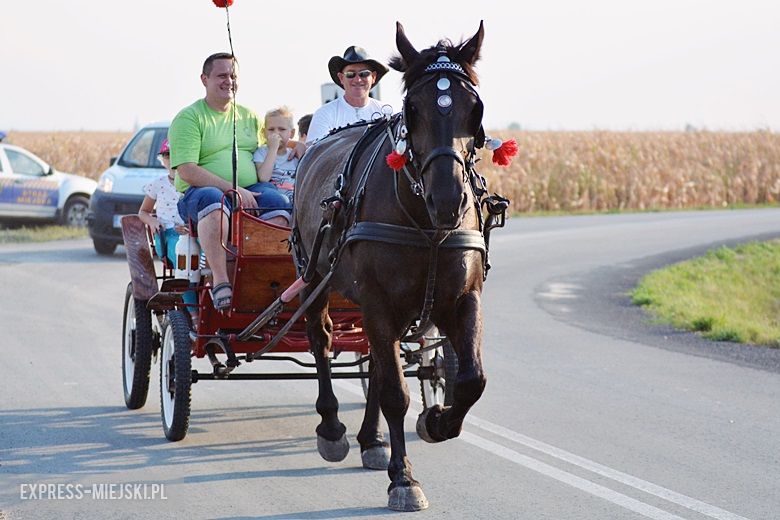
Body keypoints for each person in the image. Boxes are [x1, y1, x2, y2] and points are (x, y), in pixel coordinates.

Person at [169, 52, 290, 311]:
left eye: (233, 75)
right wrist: (232, 189)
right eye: (222, 75)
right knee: (214, 199)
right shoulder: (189, 118)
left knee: (278, 202)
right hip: (199, 194)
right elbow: (188, 171)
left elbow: (269, 148)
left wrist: (297, 146)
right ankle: (221, 281)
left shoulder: (249, 117)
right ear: (204, 79)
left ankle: (263, 279)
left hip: (249, 188)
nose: (229, 81)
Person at [137, 138, 197, 317]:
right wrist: (154, 222)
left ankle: (207, 301)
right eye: (167, 155)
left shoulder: (192, 184)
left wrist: (189, 227)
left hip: (191, 233)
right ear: (162, 160)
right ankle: (194, 313)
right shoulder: (158, 184)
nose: (172, 160)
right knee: (184, 262)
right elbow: (143, 212)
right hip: (167, 234)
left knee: (201, 261)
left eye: (176, 155)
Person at [305, 46, 390, 145]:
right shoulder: (324, 114)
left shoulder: (386, 113)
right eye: (350, 74)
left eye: (364, 74)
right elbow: (316, 154)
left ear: (373, 77)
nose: (358, 79)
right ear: (341, 78)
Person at [253, 107, 298, 216]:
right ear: (264, 133)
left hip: (296, 206)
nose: (276, 133)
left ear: (291, 133)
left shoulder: (295, 156)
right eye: (271, 129)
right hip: (275, 205)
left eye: (282, 129)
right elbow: (264, 177)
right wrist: (273, 149)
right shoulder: (261, 153)